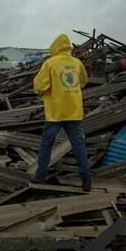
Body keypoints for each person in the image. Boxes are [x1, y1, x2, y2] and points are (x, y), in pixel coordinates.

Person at [33, 34, 91, 191]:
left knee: (46, 145)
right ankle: (86, 180)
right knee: (78, 145)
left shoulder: (50, 64)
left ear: (55, 46)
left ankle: (40, 177)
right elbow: (84, 82)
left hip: (55, 113)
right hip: (74, 112)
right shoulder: (77, 63)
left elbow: (39, 87)